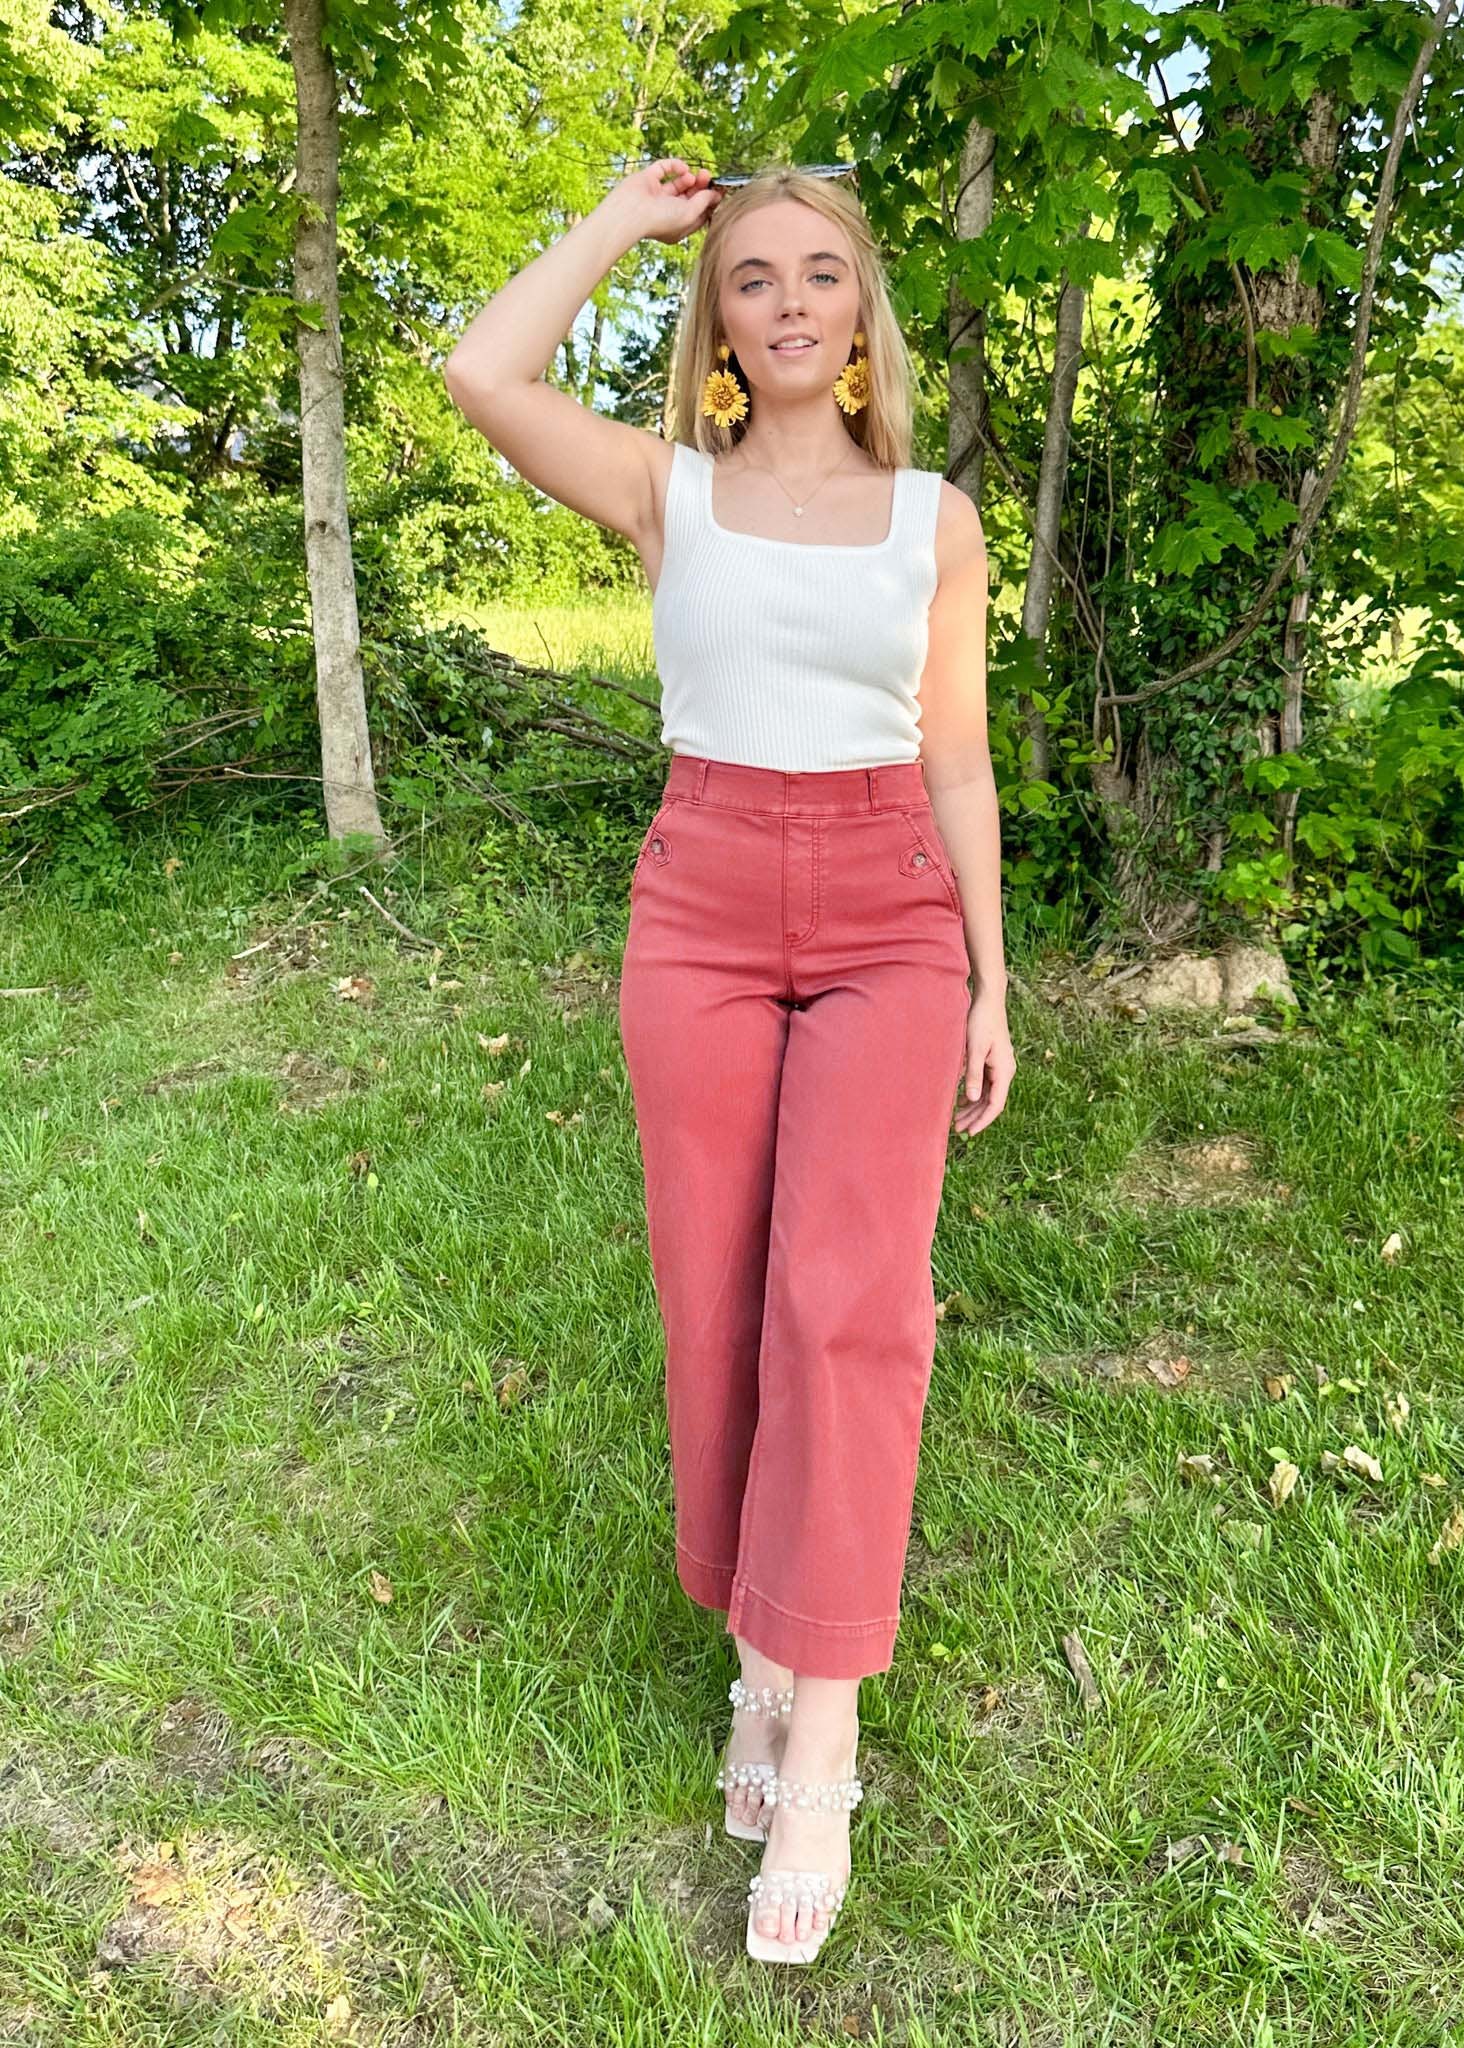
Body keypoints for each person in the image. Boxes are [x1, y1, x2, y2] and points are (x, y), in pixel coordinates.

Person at [444, 156, 1015, 1965]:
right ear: (720, 317)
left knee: (849, 1303)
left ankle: (820, 1734)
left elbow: (958, 759)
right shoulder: (666, 491)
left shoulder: (933, 519)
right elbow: (480, 373)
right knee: (718, 1295)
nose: (787, 303)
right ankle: (759, 1654)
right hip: (699, 903)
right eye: (754, 276)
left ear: (863, 315)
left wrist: (993, 980)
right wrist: (623, 221)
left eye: (820, 274)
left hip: (889, 914)